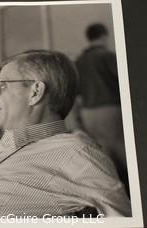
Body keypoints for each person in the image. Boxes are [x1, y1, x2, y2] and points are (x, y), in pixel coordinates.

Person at [0, 50, 131, 217]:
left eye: (2, 86)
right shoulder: (5, 144)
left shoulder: (75, 152)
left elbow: (123, 217)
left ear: (35, 92)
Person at [76, 23, 128, 193]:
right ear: (104, 36)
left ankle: (113, 191)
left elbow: (77, 91)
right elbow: (123, 82)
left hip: (88, 112)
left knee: (105, 152)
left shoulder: (79, 61)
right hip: (109, 109)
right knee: (123, 150)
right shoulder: (107, 56)